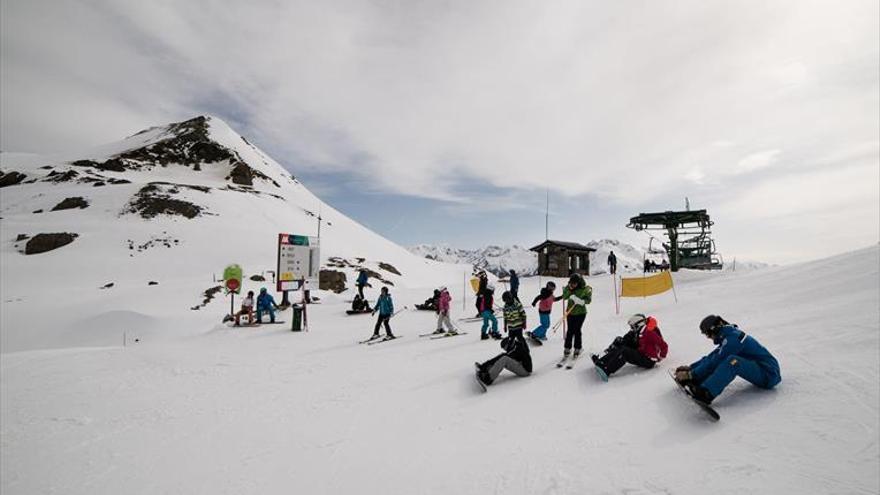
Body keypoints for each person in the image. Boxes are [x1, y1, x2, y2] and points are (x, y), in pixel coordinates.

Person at [674, 315, 781, 404]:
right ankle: (699, 381)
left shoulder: (733, 340)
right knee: (722, 357)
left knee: (732, 362)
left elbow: (716, 361)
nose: (708, 337)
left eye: (707, 334)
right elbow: (713, 356)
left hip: (768, 374)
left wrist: (691, 375)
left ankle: (707, 393)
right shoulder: (729, 336)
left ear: (714, 329)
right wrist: (691, 369)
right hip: (761, 369)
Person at [592, 314, 668, 378]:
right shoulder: (640, 331)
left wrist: (660, 357)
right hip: (642, 354)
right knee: (622, 347)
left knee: (625, 352)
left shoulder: (649, 333)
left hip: (649, 361)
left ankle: (607, 370)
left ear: (638, 325)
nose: (631, 328)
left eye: (632, 327)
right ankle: (601, 361)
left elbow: (664, 346)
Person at [555, 274, 592, 361]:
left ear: (578, 283)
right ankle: (567, 348)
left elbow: (588, 300)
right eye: (571, 283)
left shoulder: (585, 289)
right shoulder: (569, 287)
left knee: (577, 330)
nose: (572, 285)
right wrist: (569, 291)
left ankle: (577, 348)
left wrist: (581, 301)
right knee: (570, 331)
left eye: (574, 284)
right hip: (570, 312)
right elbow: (564, 297)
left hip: (581, 313)